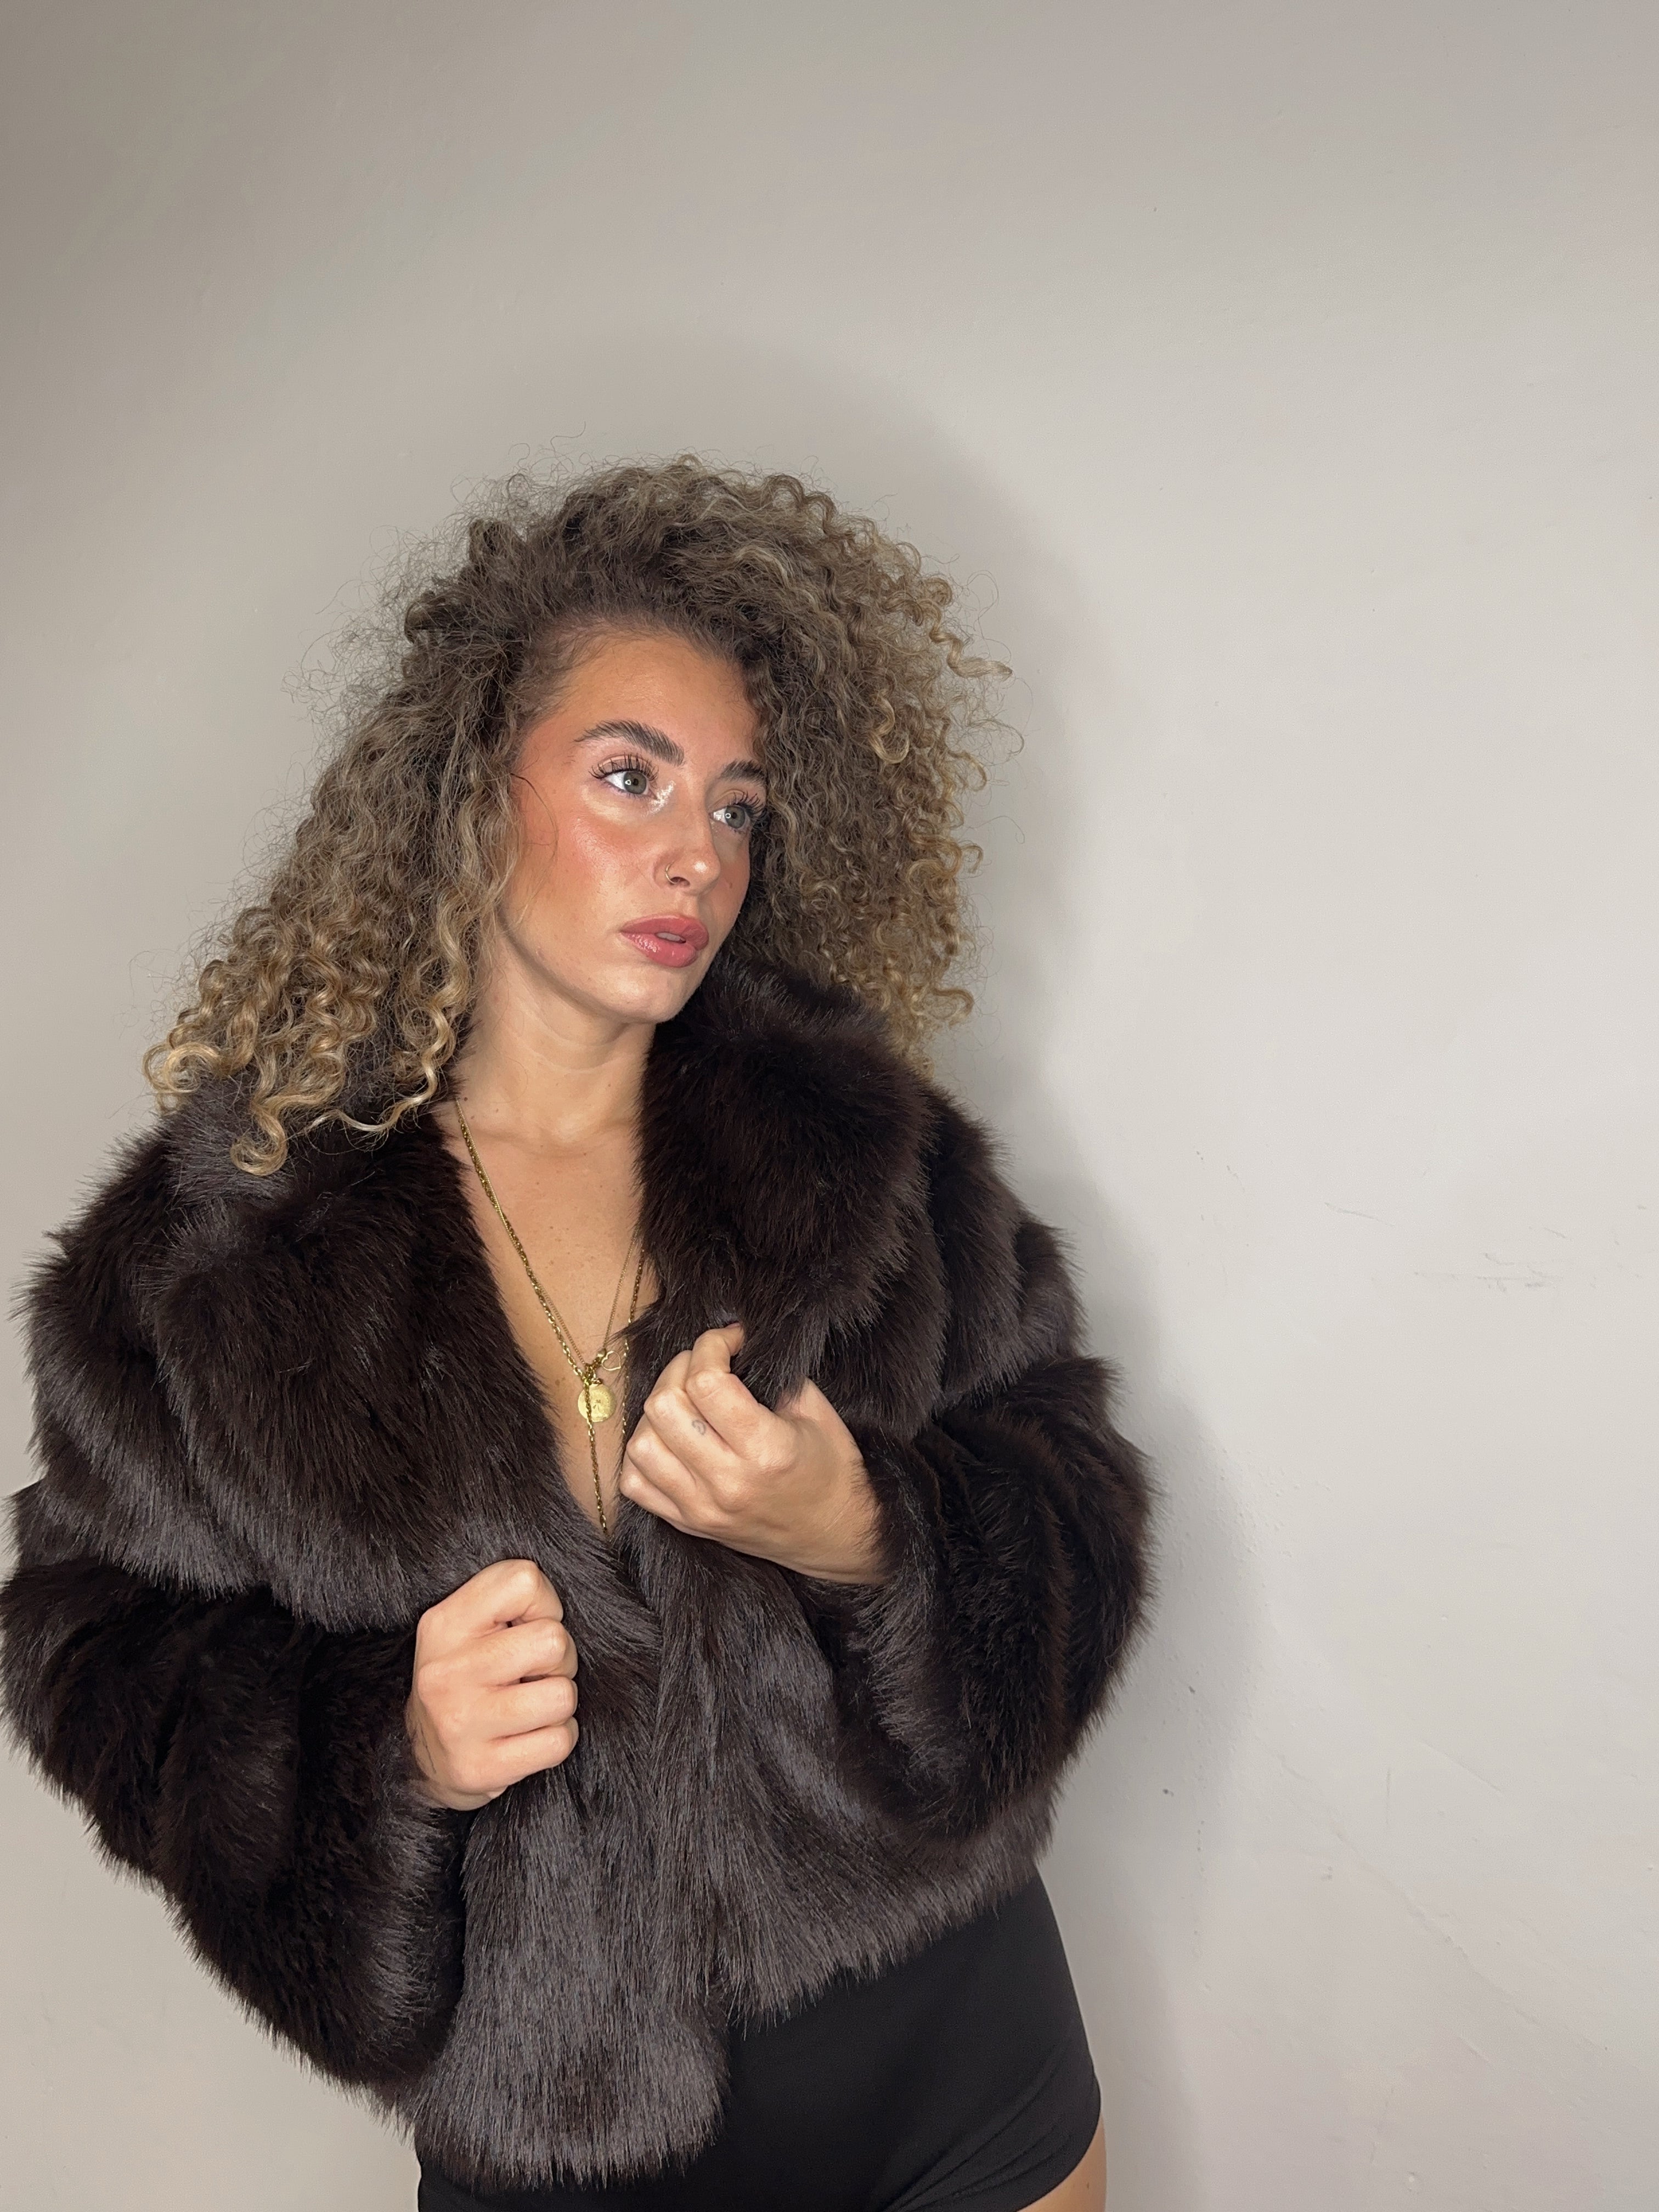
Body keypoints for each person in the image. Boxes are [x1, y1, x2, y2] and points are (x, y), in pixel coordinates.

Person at [0, 458, 1153, 2212]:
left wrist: (869, 1532)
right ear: (475, 789)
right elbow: (95, 1644)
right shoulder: (216, 1261)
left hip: (954, 2050)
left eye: (739, 808)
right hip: (565, 2121)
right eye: (632, 777)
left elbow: (1070, 1481)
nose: (698, 853)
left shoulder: (863, 1154)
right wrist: (388, 1751)